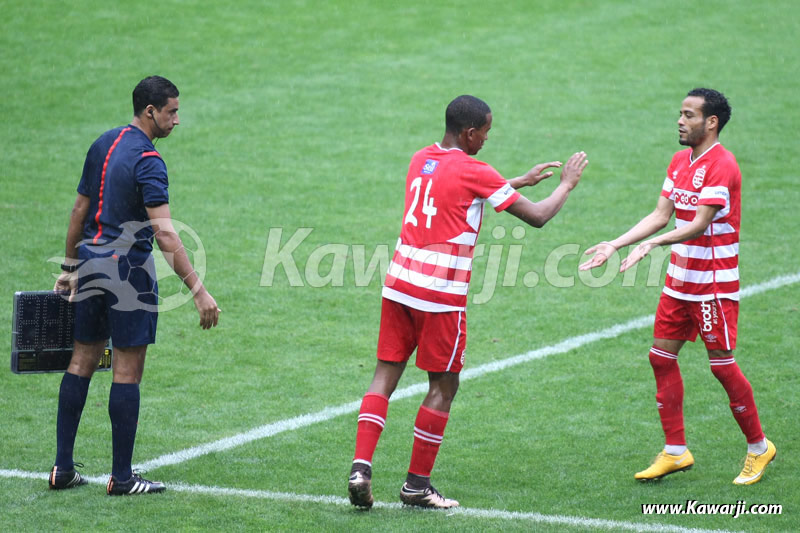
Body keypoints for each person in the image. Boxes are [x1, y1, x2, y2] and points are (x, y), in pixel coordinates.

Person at [348, 94, 588, 509]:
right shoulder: (476, 170)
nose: (487, 139)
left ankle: (360, 468)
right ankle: (416, 486)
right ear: (470, 132)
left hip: (399, 284)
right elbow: (537, 217)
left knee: (384, 375)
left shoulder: (421, 158)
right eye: (486, 132)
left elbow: (456, 190)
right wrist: (566, 184)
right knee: (444, 385)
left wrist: (517, 182)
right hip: (440, 295)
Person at [580, 88, 775, 485]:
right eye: (681, 114)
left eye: (689, 115)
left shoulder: (722, 165)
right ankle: (675, 451)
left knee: (721, 366)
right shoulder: (678, 161)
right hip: (679, 284)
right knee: (661, 358)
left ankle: (759, 447)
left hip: (712, 286)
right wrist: (616, 244)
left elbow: (699, 223)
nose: (680, 121)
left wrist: (655, 244)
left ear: (711, 122)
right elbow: (660, 215)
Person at [49, 75, 220, 495]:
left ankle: (62, 468)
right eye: (171, 112)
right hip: (129, 273)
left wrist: (70, 265)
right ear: (150, 111)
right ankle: (122, 478)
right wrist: (198, 291)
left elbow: (79, 211)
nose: (176, 120)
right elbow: (165, 234)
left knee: (81, 361)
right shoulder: (149, 160)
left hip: (91, 264)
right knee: (127, 370)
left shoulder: (103, 144)